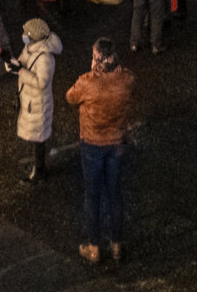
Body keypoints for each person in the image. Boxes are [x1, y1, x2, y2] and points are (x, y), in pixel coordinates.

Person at [66, 37, 134, 263]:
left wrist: (92, 74)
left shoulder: (87, 83)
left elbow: (70, 97)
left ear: (97, 59)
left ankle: (94, 247)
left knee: (92, 196)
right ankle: (116, 245)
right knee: (114, 194)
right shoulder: (126, 80)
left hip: (92, 144)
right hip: (115, 144)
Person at [14, 17, 61, 181]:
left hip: (38, 105)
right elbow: (21, 62)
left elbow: (41, 83)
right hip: (29, 101)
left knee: (39, 140)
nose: (23, 35)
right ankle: (40, 169)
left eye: (25, 33)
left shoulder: (46, 58)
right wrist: (11, 64)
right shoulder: (29, 47)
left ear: (33, 35)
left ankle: (39, 171)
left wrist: (20, 71)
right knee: (37, 139)